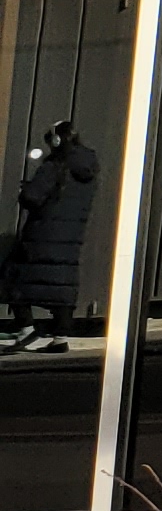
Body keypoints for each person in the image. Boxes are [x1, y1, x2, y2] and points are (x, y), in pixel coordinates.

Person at [5, 122, 99, 351]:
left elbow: (32, 197)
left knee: (12, 276)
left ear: (57, 140)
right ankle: (60, 339)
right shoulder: (88, 169)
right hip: (71, 236)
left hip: (43, 232)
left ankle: (26, 329)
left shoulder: (55, 165)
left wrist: (25, 190)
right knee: (62, 284)